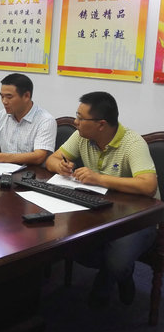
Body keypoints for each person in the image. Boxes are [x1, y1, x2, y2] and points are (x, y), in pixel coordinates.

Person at [46, 91, 158, 307]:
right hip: (99, 210)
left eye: (80, 118)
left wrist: (99, 179)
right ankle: (115, 272)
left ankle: (115, 277)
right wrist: (60, 166)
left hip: (137, 218)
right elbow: (52, 159)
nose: (75, 122)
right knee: (69, 245)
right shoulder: (82, 136)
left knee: (118, 262)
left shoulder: (132, 142)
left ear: (101, 124)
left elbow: (148, 185)